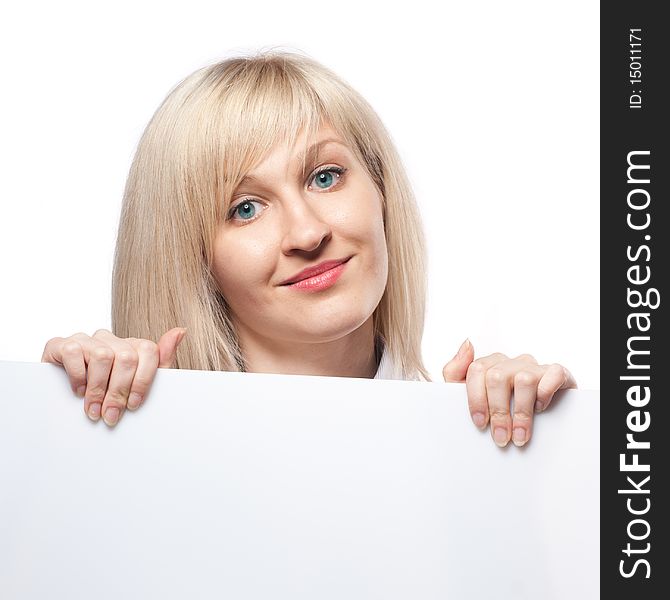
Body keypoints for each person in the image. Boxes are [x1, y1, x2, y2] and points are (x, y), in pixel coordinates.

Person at [41, 49, 576, 447]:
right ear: (192, 258)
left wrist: (551, 453)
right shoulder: (123, 442)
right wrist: (60, 421)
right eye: (244, 208)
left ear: (381, 190)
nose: (306, 234)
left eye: (325, 176)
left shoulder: (479, 433)